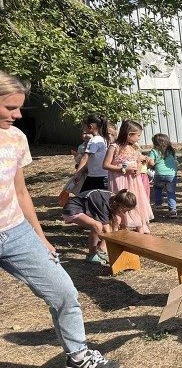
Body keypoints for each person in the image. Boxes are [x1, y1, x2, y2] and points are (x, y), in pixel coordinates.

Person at [0, 70, 119, 367]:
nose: (16, 115)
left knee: (64, 292)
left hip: (16, 232)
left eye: (19, 108)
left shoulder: (15, 139)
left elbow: (22, 193)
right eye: (9, 108)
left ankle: (78, 357)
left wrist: (40, 237)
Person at [102, 120, 153, 233]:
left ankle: (139, 224)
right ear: (129, 134)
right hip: (119, 180)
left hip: (134, 181)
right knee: (122, 202)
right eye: (138, 135)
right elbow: (105, 165)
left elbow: (139, 160)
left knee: (135, 200)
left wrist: (138, 170)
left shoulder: (134, 147)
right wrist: (123, 169)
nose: (139, 138)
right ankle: (121, 225)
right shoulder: (114, 147)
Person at [62, 189, 137, 265]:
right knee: (97, 226)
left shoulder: (115, 199)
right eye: (124, 210)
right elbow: (107, 232)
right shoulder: (103, 203)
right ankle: (92, 255)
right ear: (115, 204)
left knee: (116, 220)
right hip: (72, 210)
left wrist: (122, 225)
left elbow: (117, 222)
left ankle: (102, 250)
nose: (124, 213)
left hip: (85, 209)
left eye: (127, 211)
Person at [74, 114, 111, 192]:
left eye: (84, 126)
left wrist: (78, 173)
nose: (83, 129)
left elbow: (85, 158)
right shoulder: (103, 139)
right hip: (104, 175)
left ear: (90, 126)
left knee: (86, 198)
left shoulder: (94, 140)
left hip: (95, 176)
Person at [149, 133, 178, 218]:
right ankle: (173, 210)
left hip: (159, 174)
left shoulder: (154, 151)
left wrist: (153, 166)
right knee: (171, 192)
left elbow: (151, 162)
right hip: (172, 175)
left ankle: (158, 204)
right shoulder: (172, 151)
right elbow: (175, 162)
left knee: (158, 188)